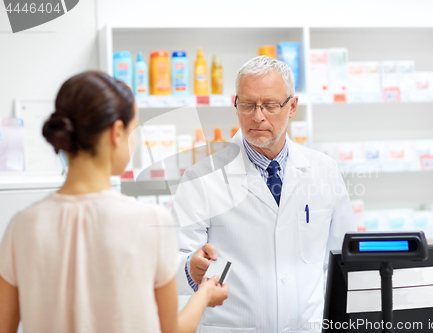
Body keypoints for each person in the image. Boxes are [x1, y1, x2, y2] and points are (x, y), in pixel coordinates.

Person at [0, 71, 228, 333]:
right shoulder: (149, 221)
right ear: (117, 132)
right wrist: (205, 295)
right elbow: (171, 330)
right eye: (134, 129)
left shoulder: (22, 225)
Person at [173, 56, 356, 332]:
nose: (257, 116)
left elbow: (344, 261)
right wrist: (190, 267)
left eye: (270, 105)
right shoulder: (201, 178)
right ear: (235, 104)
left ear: (292, 106)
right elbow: (173, 262)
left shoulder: (324, 171)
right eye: (247, 105)